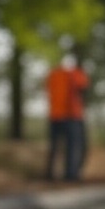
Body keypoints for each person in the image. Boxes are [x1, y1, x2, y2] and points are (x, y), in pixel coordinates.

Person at [45, 53, 90, 181]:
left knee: (54, 146)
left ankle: (50, 173)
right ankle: (71, 174)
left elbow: (48, 90)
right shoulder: (76, 74)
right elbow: (83, 88)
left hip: (55, 115)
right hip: (72, 116)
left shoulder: (53, 75)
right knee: (74, 146)